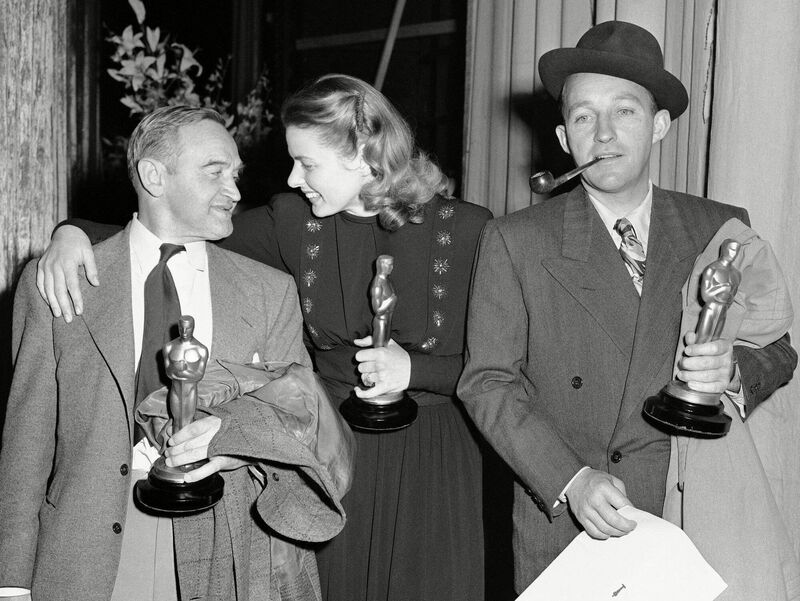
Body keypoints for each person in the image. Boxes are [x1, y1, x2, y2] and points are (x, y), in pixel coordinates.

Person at [33, 75, 492, 601]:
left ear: (363, 154)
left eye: (307, 163)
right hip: (331, 458)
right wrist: (69, 232)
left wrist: (418, 371)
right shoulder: (292, 222)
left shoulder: (470, 230)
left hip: (435, 461)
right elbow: (169, 229)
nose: (293, 178)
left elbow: (510, 369)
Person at [457, 20, 797, 592]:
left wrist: (734, 370)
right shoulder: (516, 240)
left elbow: (780, 350)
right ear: (564, 138)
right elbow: (487, 382)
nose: (604, 134)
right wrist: (569, 480)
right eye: (584, 116)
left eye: (626, 112)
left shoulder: (719, 228)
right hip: (578, 522)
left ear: (660, 125)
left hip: (694, 518)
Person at [0, 105, 352, 601]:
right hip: (84, 556)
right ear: (153, 176)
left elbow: (296, 417)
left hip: (223, 547)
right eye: (215, 173)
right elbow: (26, 441)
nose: (234, 190)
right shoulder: (58, 283)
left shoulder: (269, 292)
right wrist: (11, 582)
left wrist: (230, 437)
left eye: (235, 175)